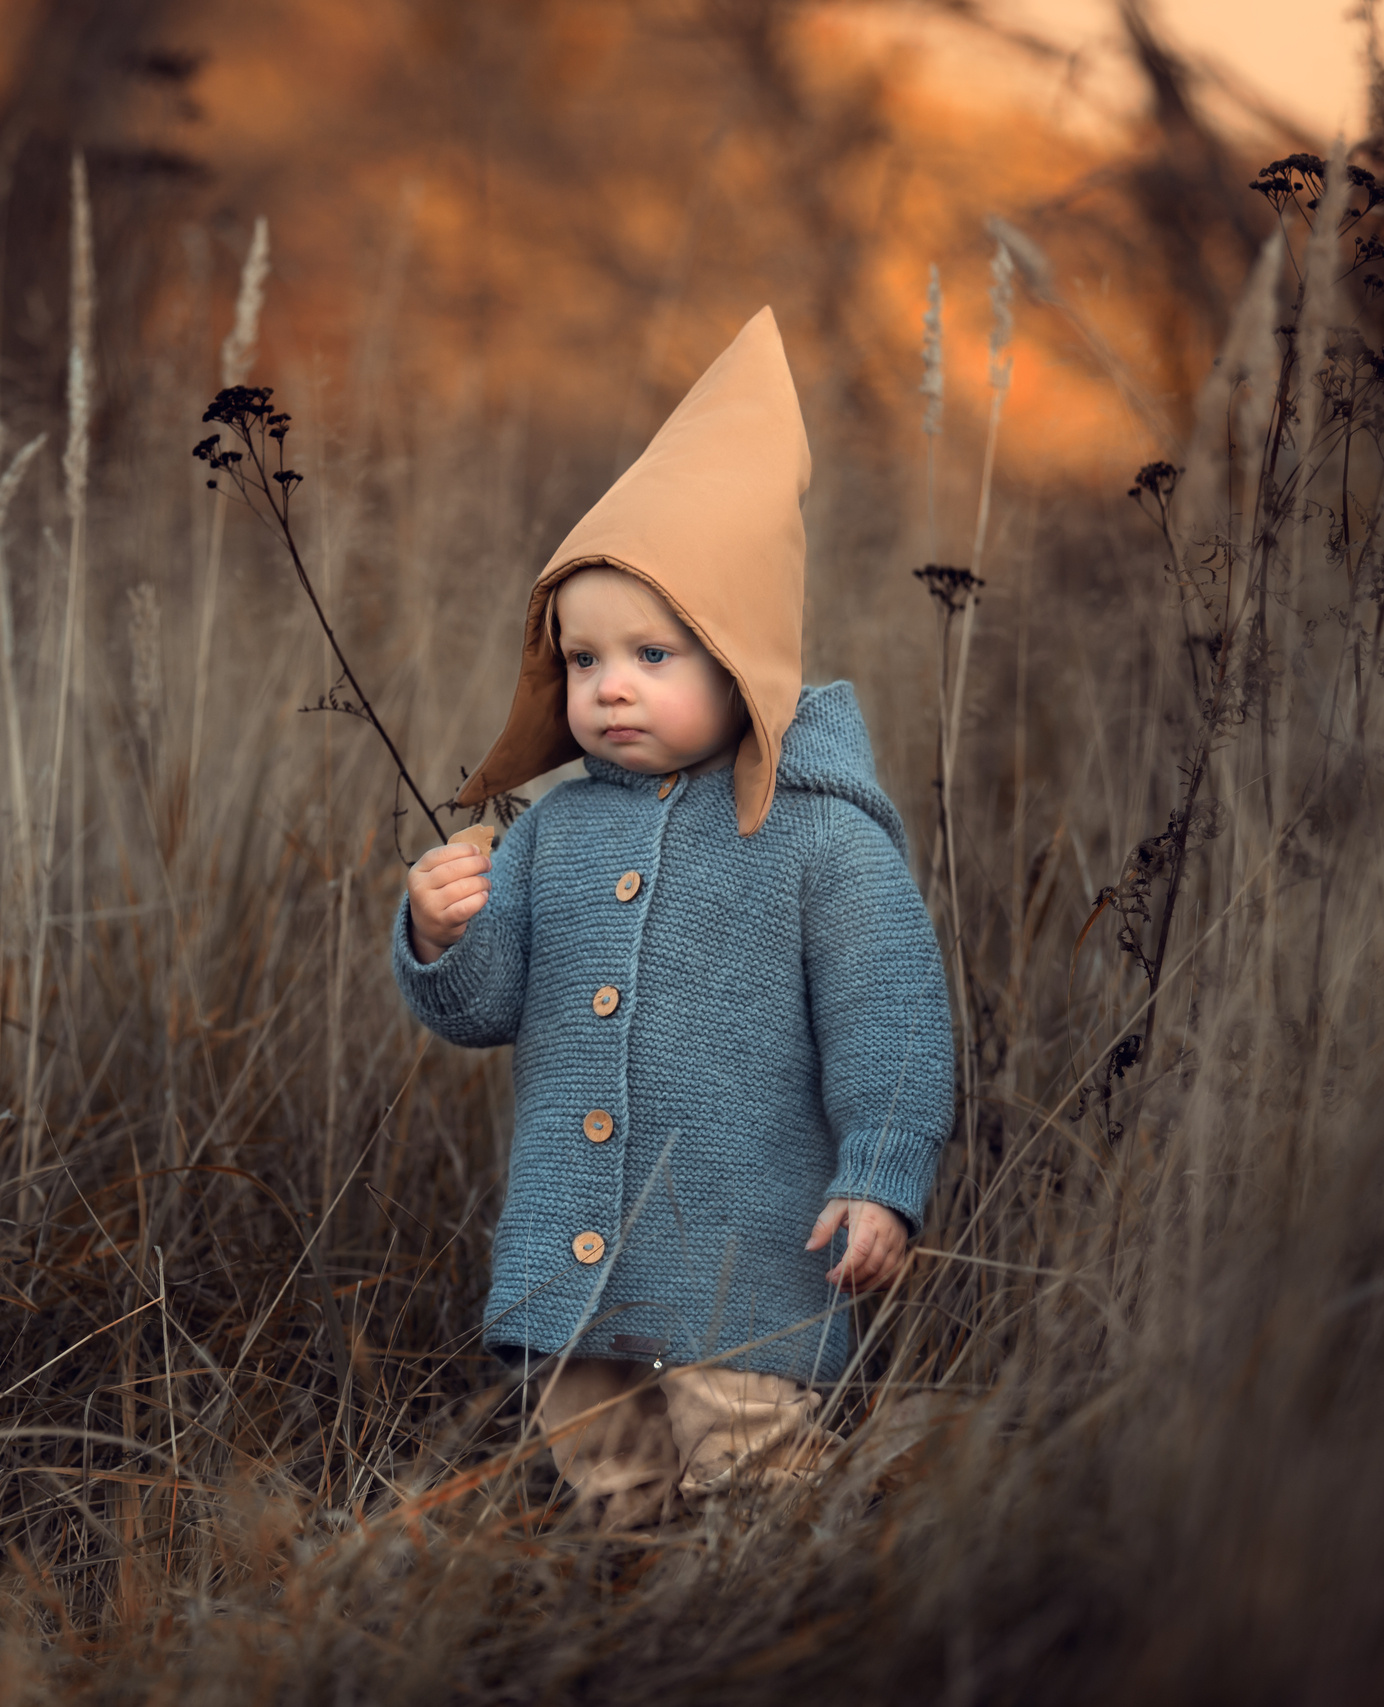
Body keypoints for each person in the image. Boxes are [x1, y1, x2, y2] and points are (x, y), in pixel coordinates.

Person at [393, 307, 957, 1528]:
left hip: (746, 1254)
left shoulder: (819, 834)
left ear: (741, 658)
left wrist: (881, 1179)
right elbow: (488, 1010)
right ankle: (629, 1593)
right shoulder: (553, 831)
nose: (610, 687)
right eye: (582, 658)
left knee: (750, 1468)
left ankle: (772, 1605)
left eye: (653, 654)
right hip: (575, 1259)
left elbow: (893, 1020)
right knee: (606, 1472)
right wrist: (444, 936)